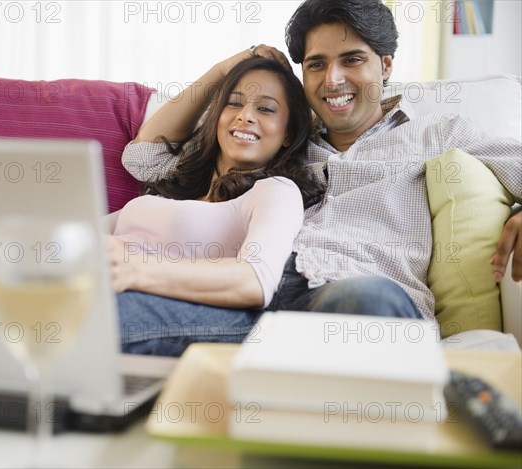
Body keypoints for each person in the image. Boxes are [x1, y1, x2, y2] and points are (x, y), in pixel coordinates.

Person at [121, 0, 522, 356]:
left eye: (351, 60)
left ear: (384, 65)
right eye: (316, 64)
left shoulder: (437, 132)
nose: (332, 79)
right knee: (113, 315)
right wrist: (231, 67)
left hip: (356, 302)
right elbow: (145, 159)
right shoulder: (281, 135)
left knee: (370, 302)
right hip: (255, 301)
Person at [107, 56, 322, 355]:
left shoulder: (276, 191)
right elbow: (142, 157)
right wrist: (222, 70)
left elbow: (255, 280)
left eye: (265, 108)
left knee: (95, 314)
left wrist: (135, 268)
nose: (246, 115)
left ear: (288, 133)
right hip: (92, 280)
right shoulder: (169, 190)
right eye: (234, 103)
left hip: (136, 299)